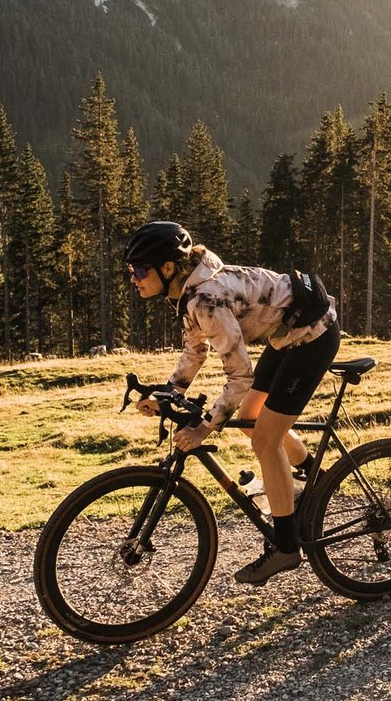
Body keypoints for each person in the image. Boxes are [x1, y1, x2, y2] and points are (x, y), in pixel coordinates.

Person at [124, 220, 340, 585]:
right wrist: (167, 393)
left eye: (140, 270)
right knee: (251, 415)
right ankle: (312, 481)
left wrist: (204, 426)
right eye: (131, 271)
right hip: (285, 331)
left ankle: (287, 547)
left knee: (264, 439)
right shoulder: (189, 292)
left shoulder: (205, 299)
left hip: (312, 334)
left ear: (168, 268)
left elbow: (241, 376)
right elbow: (196, 350)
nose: (134, 278)